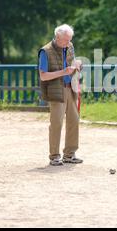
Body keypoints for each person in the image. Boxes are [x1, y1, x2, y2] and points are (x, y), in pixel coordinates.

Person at [38, 24, 83, 166]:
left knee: (74, 121)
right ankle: (54, 156)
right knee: (56, 123)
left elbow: (72, 63)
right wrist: (64, 72)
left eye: (69, 40)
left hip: (71, 88)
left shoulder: (69, 46)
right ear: (57, 37)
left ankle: (69, 154)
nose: (68, 43)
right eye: (65, 40)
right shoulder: (45, 51)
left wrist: (77, 66)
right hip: (56, 89)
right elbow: (43, 76)